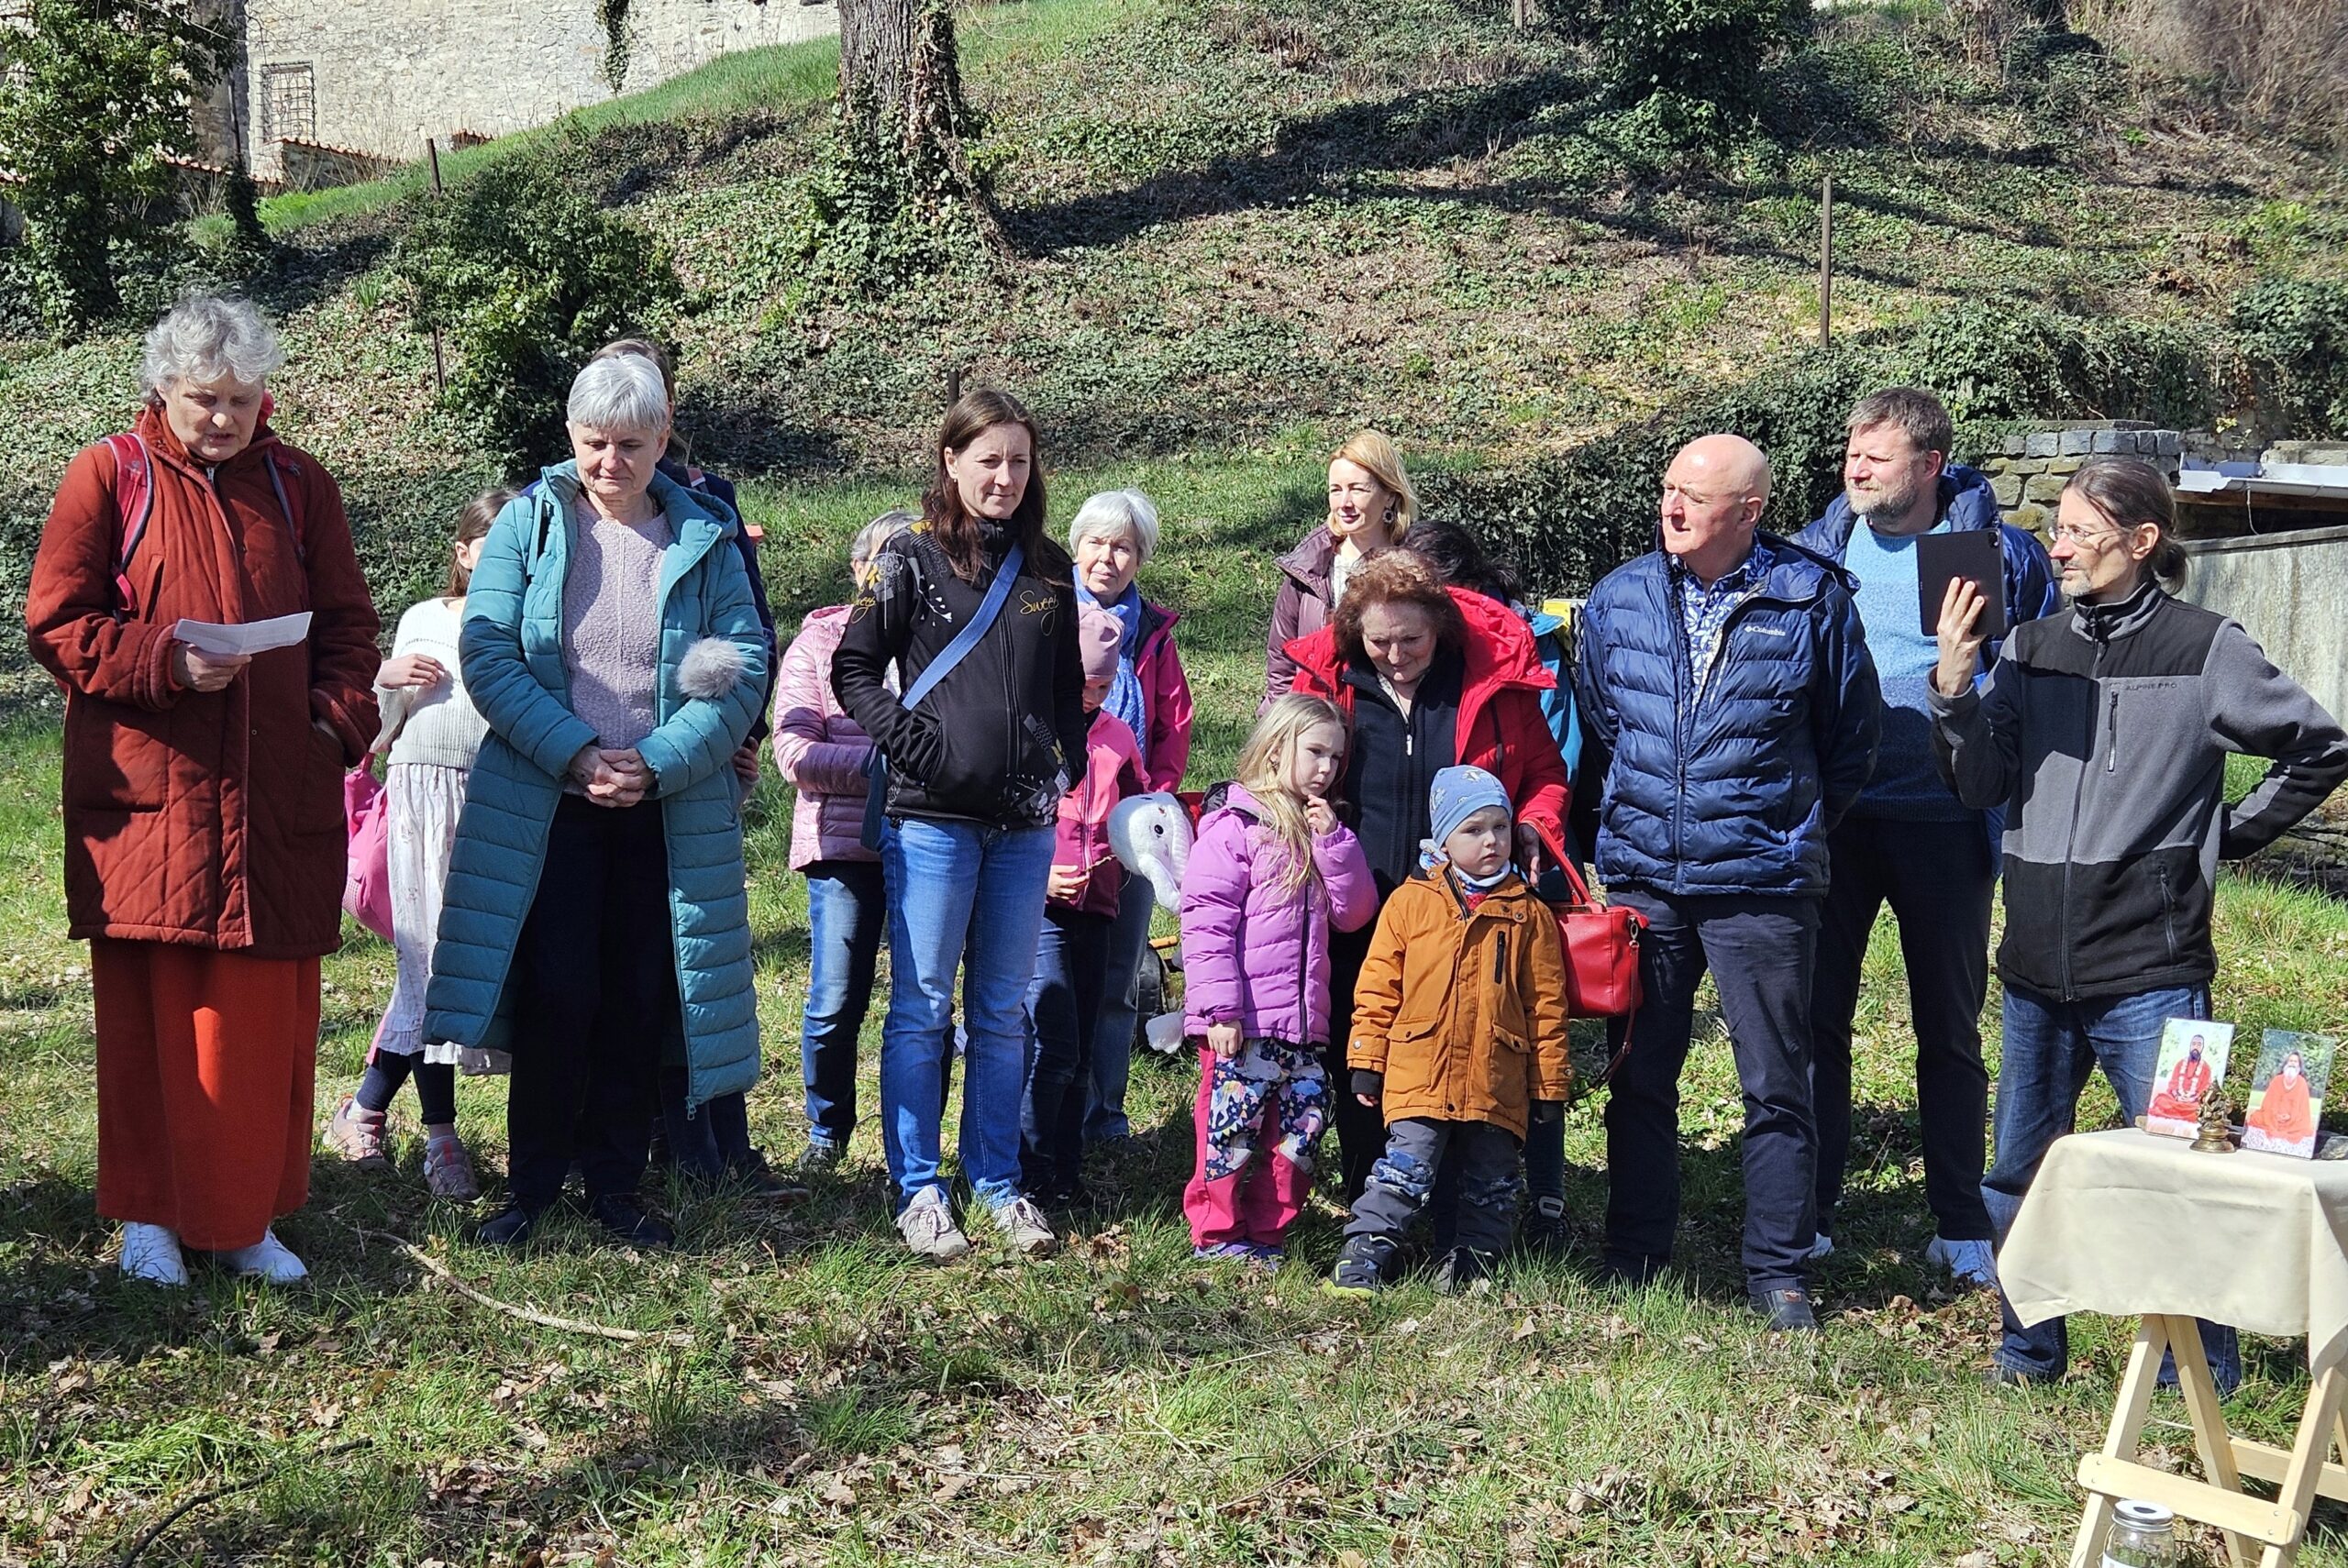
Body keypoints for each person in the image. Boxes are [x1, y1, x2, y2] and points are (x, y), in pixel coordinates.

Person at [1930, 454, 2348, 1386]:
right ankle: (2027, 1353)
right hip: (2032, 968)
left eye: (2078, 532)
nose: (2058, 547)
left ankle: (2200, 1376)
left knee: (2187, 1181)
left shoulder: (2207, 647)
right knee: (2016, 1178)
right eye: (2058, 529)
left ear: (2141, 540)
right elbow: (1980, 786)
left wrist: (2225, 835)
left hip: (2152, 970)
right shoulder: (2028, 647)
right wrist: (1953, 692)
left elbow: (2320, 746)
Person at [27, 293, 381, 1285]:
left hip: (275, 797)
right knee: (152, 1023)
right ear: (163, 391)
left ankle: (242, 1219)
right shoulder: (109, 474)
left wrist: (332, 726)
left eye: (240, 397)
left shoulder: (300, 485)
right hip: (156, 805)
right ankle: (148, 1219)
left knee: (257, 1027)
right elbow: (57, 622)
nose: (223, 417)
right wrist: (163, 663)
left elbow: (350, 627)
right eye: (202, 398)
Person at [423, 353, 770, 1251]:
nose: (610, 462)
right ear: (570, 436)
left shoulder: (706, 534)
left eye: (630, 445)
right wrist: (576, 755)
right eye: (593, 443)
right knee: (557, 993)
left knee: (636, 995)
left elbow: (743, 670)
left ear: (663, 437)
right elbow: (489, 654)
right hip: (549, 805)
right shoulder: (528, 525)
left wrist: (655, 764)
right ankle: (534, 1187)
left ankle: (615, 1185)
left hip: (663, 808)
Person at [1574, 433, 1881, 1333]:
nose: (1671, 507)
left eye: (1693, 497)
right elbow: (1604, 724)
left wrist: (1782, 824)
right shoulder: (1621, 595)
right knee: (1639, 1076)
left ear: (1748, 512)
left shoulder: (1811, 597)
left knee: (1776, 1084)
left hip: (1762, 885)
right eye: (1668, 488)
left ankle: (1778, 1271)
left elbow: (1849, 740)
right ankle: (1635, 1251)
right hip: (1648, 879)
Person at [1790, 387, 2060, 1287]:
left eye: (1876, 456)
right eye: (1851, 453)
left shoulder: (1997, 554)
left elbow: (2037, 668)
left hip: (1946, 820)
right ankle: (1811, 1212)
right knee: (1816, 1021)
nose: (1856, 469)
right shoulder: (1820, 549)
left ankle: (1959, 1219)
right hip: (1837, 820)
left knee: (1947, 1027)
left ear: (1930, 464)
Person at [831, 388, 1087, 1264]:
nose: (1004, 477)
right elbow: (854, 669)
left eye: (1018, 461)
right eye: (988, 461)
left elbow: (1065, 689)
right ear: (951, 461)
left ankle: (999, 1184)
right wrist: (917, 747)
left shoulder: (1052, 569)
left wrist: (1065, 764)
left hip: (1024, 829)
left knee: (1004, 1012)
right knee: (922, 1009)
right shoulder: (908, 558)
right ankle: (917, 1189)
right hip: (932, 822)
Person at [1282, 549, 1571, 1200]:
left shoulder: (1487, 684)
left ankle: (1450, 1196)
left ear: (1439, 627)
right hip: (1351, 898)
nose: (1395, 655)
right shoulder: (1328, 683)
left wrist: (1533, 821)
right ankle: (1370, 1189)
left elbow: (1546, 774)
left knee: (1454, 1037)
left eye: (1411, 640)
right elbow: (1284, 761)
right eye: (1378, 641)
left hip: (1464, 910)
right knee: (1360, 1039)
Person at [588, 337, 794, 1199]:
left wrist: (741, 729)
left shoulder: (710, 500)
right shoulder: (567, 501)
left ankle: (715, 1141)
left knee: (702, 957)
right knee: (621, 960)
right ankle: (629, 1139)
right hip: (598, 765)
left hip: (696, 757)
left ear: (666, 413)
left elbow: (753, 630)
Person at [323, 489, 512, 1200]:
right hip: (420, 800)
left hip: (496, 806)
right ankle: (440, 1139)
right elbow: (376, 730)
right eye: (489, 549)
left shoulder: (530, 621)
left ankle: (364, 1111)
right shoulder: (423, 618)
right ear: (462, 553)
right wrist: (385, 677)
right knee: (427, 971)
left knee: (460, 971)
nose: (504, 561)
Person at [1404, 516, 1584, 1254]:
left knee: (1522, 1030)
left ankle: (1536, 1194)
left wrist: (1534, 824)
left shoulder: (1511, 662)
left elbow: (1550, 767)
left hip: (1506, 881)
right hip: (1415, 890)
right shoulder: (1385, 659)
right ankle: (1419, 1193)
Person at [1326, 767, 1573, 1295]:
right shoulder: (1411, 902)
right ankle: (1363, 1256)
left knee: (1491, 1182)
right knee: (1403, 1169)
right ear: (1443, 840)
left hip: (1495, 1076)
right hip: (1420, 1069)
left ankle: (1471, 1267)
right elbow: (1378, 986)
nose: (1491, 841)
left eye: (1500, 827)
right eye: (1473, 829)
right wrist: (1367, 1058)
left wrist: (1548, 1087)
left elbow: (1546, 1008)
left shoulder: (1529, 914)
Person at [1179, 695, 1378, 1264]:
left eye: (1336, 757)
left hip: (1304, 1028)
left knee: (1299, 1134)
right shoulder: (1233, 829)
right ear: (1274, 749)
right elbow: (1206, 924)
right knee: (1229, 1132)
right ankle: (1218, 1234)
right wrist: (1219, 1012)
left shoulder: (1322, 833)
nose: (1326, 768)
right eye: (1315, 752)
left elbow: (1355, 913)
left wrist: (1335, 844)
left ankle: (1268, 1235)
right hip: (1243, 1025)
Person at [771, 510, 914, 1171]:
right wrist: (884, 767)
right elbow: (794, 750)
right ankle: (826, 1132)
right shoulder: (819, 642)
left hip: (928, 840)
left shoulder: (940, 635)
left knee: (922, 1003)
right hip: (842, 848)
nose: (894, 573)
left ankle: (910, 1140)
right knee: (836, 999)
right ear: (858, 570)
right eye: (882, 560)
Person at [1065, 488, 1194, 1146]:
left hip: (1133, 828)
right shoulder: (1042, 614)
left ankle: (1105, 1116)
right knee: (1046, 980)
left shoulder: (1151, 633)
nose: (1107, 558)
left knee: (1119, 976)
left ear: (1140, 558)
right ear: (1075, 546)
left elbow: (1173, 723)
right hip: (1056, 829)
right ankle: (1047, 1112)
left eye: (1123, 547)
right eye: (1096, 542)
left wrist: (1150, 803)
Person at [1020, 609, 1146, 1208]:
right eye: (1082, 684)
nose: (1091, 697)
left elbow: (1138, 814)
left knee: (1083, 1043)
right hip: (1040, 905)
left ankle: (1065, 1172)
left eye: (1103, 685)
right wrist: (1041, 876)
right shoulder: (1029, 730)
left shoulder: (1118, 737)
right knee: (1054, 1039)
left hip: (1099, 904)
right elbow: (1006, 817)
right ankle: (1030, 1164)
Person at [1264, 431, 1417, 707]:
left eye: (1357, 489)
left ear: (1390, 496)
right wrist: (1279, 725)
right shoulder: (1309, 567)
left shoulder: (1415, 569)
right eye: (1336, 490)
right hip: (1317, 722)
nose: (1344, 503)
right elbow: (1281, 664)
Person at [2245, 1053, 2317, 1150]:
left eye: (2295, 1061)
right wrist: (2276, 1115)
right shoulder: (2277, 1080)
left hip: (2293, 1119)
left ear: (2299, 1065)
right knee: (2256, 1117)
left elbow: (2302, 1107)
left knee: (2303, 1127)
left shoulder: (2302, 1083)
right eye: (2290, 1061)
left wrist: (2290, 1117)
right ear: (2286, 1063)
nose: (2292, 1063)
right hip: (2273, 1116)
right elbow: (2268, 1102)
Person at [2146, 1038, 2214, 1121]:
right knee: (2161, 1099)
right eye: (2193, 1044)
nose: (2195, 1047)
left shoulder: (2206, 1068)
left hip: (2193, 1102)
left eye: (2199, 1045)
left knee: (2200, 1108)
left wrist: (2192, 1099)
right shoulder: (2180, 1063)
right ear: (2190, 1046)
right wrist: (2177, 1097)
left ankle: (2174, 1113)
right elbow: (2173, 1084)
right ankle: (2182, 1114)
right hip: (2176, 1100)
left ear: (2202, 1047)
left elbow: (2205, 1089)